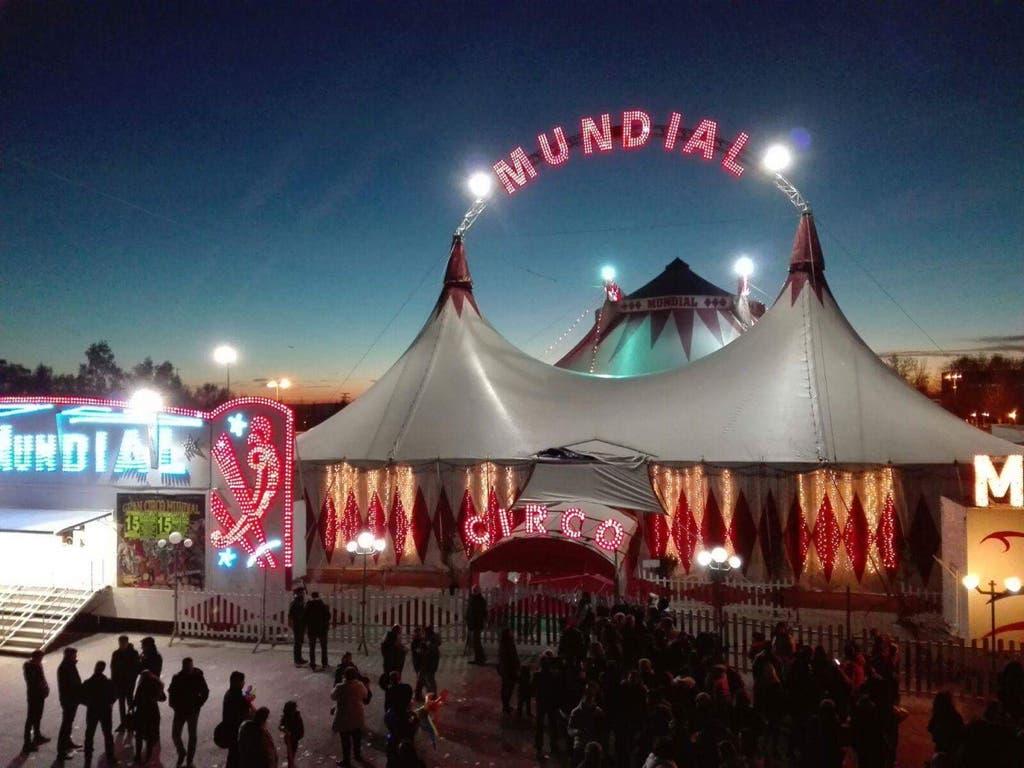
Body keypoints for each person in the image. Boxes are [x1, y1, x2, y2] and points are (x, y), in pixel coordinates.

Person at [168, 657, 210, 768]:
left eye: (189, 667)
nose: (188, 669)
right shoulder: (177, 677)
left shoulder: (197, 677)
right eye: (186, 667)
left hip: (192, 711)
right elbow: (172, 692)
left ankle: (189, 759)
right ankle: (182, 753)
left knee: (191, 736)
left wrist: (199, 704)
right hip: (181, 711)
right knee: (176, 734)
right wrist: (173, 704)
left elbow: (205, 691)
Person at [332, 666, 371, 767]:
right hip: (357, 717)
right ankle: (357, 755)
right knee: (357, 739)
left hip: (343, 719)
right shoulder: (360, 685)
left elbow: (333, 696)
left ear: (345, 676)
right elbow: (365, 695)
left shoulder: (340, 687)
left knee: (345, 742)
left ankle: (346, 760)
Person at [80, 660, 117, 764]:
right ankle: (110, 755)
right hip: (105, 710)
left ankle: (88, 755)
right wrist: (109, 702)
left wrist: (88, 703)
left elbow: (81, 696)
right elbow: (114, 697)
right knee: (108, 734)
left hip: (92, 710)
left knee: (90, 733)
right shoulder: (108, 682)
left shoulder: (88, 682)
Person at [133, 668, 165, 763]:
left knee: (139, 735)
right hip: (153, 712)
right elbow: (163, 698)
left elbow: (135, 700)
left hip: (141, 713)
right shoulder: (157, 684)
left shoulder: (141, 686)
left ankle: (138, 755)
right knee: (150, 736)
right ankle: (148, 756)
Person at [221, 671, 253, 768]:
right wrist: (248, 700)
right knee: (237, 756)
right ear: (237, 682)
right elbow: (243, 712)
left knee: (233, 755)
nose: (244, 683)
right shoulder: (236, 697)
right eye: (242, 681)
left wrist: (246, 696)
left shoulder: (230, 693)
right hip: (237, 731)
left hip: (231, 730)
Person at [22, 649, 51, 754]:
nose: (41, 660)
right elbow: (34, 682)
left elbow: (42, 679)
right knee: (30, 718)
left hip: (40, 695)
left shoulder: (37, 665)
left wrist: (46, 688)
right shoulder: (30, 667)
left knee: (38, 716)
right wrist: (42, 688)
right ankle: (27, 743)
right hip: (34, 696)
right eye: (40, 658)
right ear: (35, 657)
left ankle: (37, 736)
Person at [111, 635, 140, 733]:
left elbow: (135, 669)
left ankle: (130, 722)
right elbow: (113, 669)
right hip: (121, 683)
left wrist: (131, 680)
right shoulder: (117, 653)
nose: (121, 645)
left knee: (129, 703)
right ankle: (125, 723)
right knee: (124, 703)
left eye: (123, 643)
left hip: (128, 683)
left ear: (127, 643)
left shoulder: (132, 654)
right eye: (120, 643)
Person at [57, 646, 82, 759]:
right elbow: (71, 684)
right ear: (69, 656)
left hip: (72, 699)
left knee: (68, 723)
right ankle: (61, 751)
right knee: (66, 724)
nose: (76, 657)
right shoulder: (65, 667)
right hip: (69, 700)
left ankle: (67, 742)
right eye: (74, 655)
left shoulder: (69, 665)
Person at [927, 691, 965, 758]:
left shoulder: (938, 715)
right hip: (954, 750)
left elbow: (930, 728)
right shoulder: (955, 716)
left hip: (945, 749)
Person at [304, 591, 331, 671]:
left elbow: (304, 616)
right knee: (323, 647)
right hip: (322, 629)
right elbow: (328, 616)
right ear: (318, 596)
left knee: (312, 648)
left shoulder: (308, 605)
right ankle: (324, 663)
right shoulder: (322, 605)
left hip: (311, 629)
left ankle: (313, 664)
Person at [498, 627, 520, 715]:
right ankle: (505, 705)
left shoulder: (507, 643)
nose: (512, 633)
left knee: (508, 687)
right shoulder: (507, 645)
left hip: (508, 669)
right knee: (508, 687)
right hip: (508, 669)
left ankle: (506, 705)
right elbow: (511, 657)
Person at [415, 626, 440, 700]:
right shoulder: (430, 642)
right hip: (427, 665)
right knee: (422, 680)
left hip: (428, 666)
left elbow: (426, 654)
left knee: (429, 681)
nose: (423, 634)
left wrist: (420, 651)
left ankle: (432, 696)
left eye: (424, 633)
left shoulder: (430, 644)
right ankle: (420, 695)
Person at [279, 700, 304, 768]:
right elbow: (280, 726)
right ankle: (291, 763)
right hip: (288, 738)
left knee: (293, 750)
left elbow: (301, 727)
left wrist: (300, 734)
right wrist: (284, 728)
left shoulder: (297, 716)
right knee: (290, 751)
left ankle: (291, 761)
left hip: (295, 737)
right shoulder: (285, 717)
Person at [466, 586, 487, 664]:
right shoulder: (475, 599)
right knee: (476, 642)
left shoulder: (478, 600)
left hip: (476, 624)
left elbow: (476, 613)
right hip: (475, 623)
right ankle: (479, 658)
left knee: (476, 642)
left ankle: (480, 658)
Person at [288, 588, 307, 666]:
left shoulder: (301, 602)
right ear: (298, 593)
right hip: (297, 624)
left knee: (300, 642)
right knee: (297, 642)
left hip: (301, 624)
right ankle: (297, 660)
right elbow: (290, 615)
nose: (303, 594)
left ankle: (300, 658)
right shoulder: (295, 602)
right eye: (302, 592)